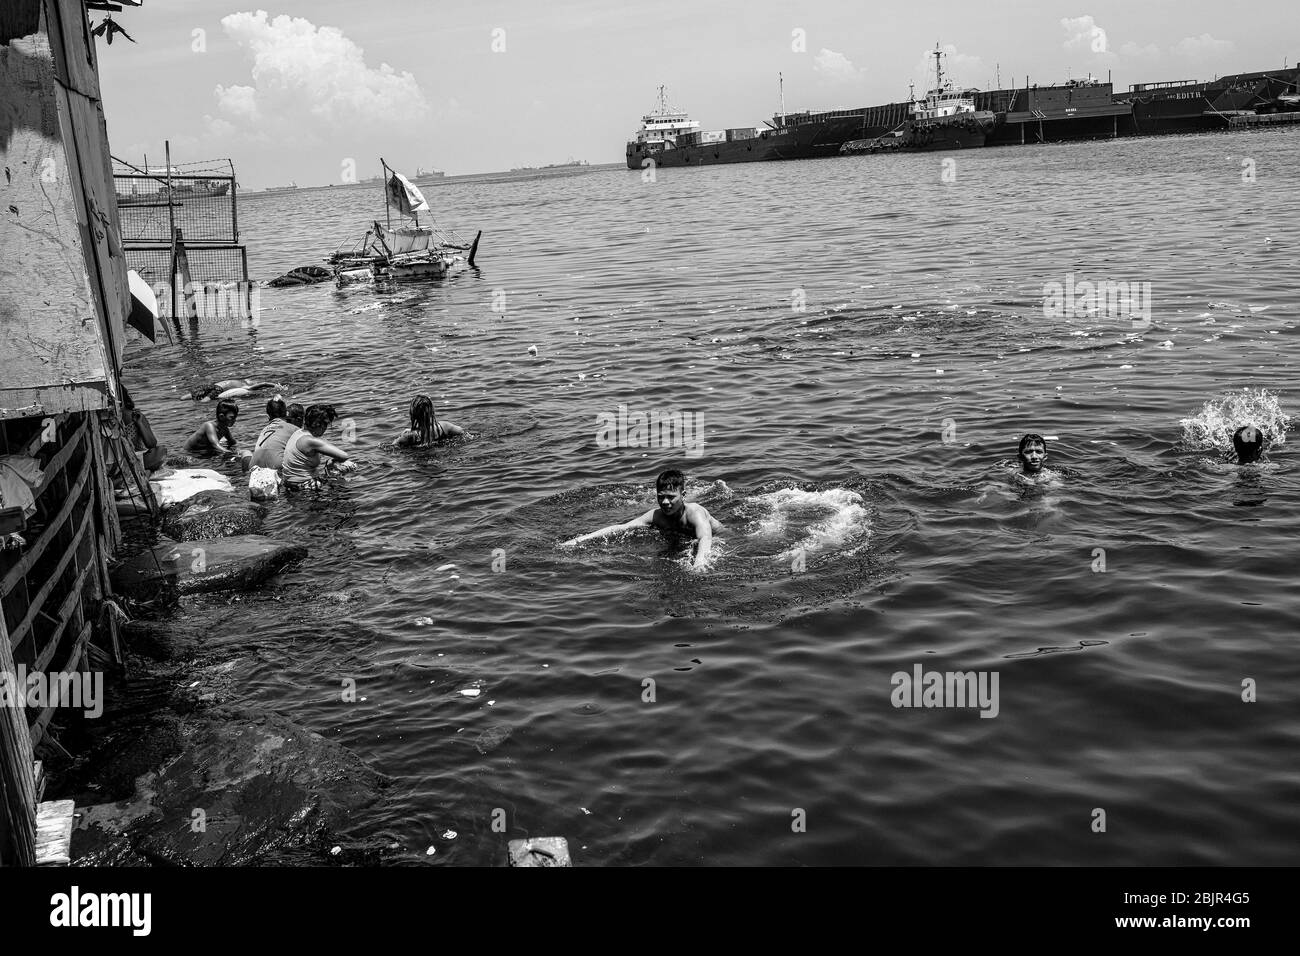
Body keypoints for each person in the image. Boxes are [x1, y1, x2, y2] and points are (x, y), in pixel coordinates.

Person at [561, 468, 723, 569]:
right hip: (682, 537)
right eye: (661, 497)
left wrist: (699, 564)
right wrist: (581, 539)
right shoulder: (656, 515)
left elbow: (705, 537)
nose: (665, 502)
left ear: (683, 495)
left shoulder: (694, 512)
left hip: (719, 536)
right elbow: (622, 527)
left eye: (670, 497)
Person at [281, 404, 356, 490]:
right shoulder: (310, 441)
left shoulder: (298, 433)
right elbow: (344, 456)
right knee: (351, 467)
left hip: (290, 484)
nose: (325, 428)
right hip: (304, 485)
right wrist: (331, 461)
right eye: (326, 425)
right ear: (319, 424)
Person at [247, 397, 298, 500]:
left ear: (267, 416)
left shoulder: (264, 430)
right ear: (286, 414)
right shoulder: (293, 428)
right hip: (276, 463)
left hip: (253, 466)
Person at [184, 399, 252, 470]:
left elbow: (232, 441)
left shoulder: (225, 429)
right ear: (221, 416)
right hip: (191, 452)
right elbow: (215, 445)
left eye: (235, 417)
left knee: (228, 460)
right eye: (232, 417)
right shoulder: (209, 425)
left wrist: (248, 446)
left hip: (205, 450)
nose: (234, 420)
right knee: (226, 456)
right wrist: (232, 453)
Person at [120, 385, 166, 473]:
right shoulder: (134, 415)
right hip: (133, 460)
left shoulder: (132, 415)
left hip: (124, 461)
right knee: (160, 450)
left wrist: (139, 424)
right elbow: (152, 444)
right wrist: (140, 423)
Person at [395, 394, 465, 447]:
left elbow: (392, 447)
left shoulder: (408, 435)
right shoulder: (444, 427)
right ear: (432, 411)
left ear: (413, 413)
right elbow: (462, 432)